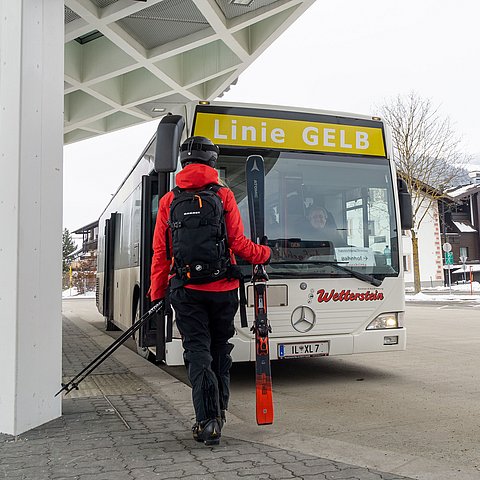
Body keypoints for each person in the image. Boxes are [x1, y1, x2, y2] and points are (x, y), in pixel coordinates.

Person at [149, 136, 271, 446]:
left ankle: (207, 421)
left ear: (184, 162)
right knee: (220, 350)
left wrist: (157, 294)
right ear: (212, 161)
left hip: (186, 290)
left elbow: (160, 254)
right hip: (223, 289)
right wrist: (264, 254)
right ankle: (221, 411)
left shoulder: (169, 200)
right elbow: (239, 244)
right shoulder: (224, 195)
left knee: (197, 352)